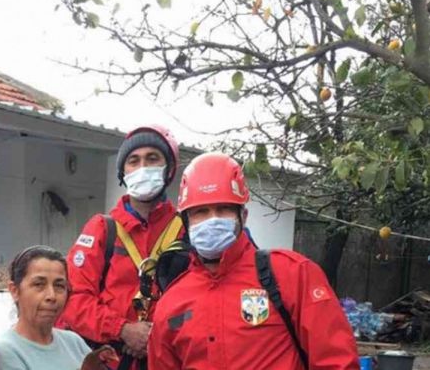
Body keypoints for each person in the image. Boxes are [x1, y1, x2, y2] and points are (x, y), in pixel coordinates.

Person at [148, 153, 360, 369]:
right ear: (186, 222)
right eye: (201, 212)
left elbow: (337, 362)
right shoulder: (171, 302)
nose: (213, 220)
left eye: (224, 209)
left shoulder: (292, 275)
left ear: (243, 216)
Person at [58, 125, 184, 368]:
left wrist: (156, 335)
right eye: (133, 161)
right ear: (123, 172)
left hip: (171, 358)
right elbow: (74, 300)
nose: (142, 168)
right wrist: (123, 329)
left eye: (152, 159)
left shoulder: (186, 229)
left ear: (169, 169)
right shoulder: (102, 229)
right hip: (112, 361)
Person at [0, 245, 117, 370]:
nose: (51, 296)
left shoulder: (73, 342)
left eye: (59, 286)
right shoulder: (6, 351)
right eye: (39, 284)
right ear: (14, 291)